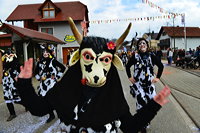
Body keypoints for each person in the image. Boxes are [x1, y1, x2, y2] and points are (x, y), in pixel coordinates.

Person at [16, 17, 170, 133]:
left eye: (105, 60)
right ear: (79, 59)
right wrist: (24, 84)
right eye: (88, 57)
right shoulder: (66, 89)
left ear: (112, 63)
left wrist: (152, 106)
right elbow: (38, 108)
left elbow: (129, 127)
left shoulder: (113, 95)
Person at [126, 38, 164, 133]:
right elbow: (127, 66)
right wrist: (129, 77)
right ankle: (142, 125)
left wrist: (157, 77)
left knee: (152, 104)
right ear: (138, 46)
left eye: (144, 43)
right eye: (140, 44)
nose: (142, 45)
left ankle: (146, 120)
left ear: (147, 46)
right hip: (139, 85)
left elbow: (161, 66)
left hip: (150, 85)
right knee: (141, 104)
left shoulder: (152, 56)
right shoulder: (135, 56)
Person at [34, 44, 66, 123]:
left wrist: (57, 77)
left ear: (50, 53)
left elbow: (63, 68)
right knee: (46, 101)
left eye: (47, 52)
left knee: (55, 100)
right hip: (43, 85)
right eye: (44, 52)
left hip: (52, 84)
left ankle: (60, 114)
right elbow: (35, 72)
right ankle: (51, 115)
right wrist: (39, 78)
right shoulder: (40, 62)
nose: (45, 53)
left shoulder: (53, 61)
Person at [1, 48, 25, 121]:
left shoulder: (16, 63)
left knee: (18, 97)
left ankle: (27, 105)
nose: (8, 56)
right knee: (7, 98)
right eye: (6, 55)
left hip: (14, 83)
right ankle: (12, 114)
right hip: (6, 84)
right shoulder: (4, 63)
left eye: (9, 55)